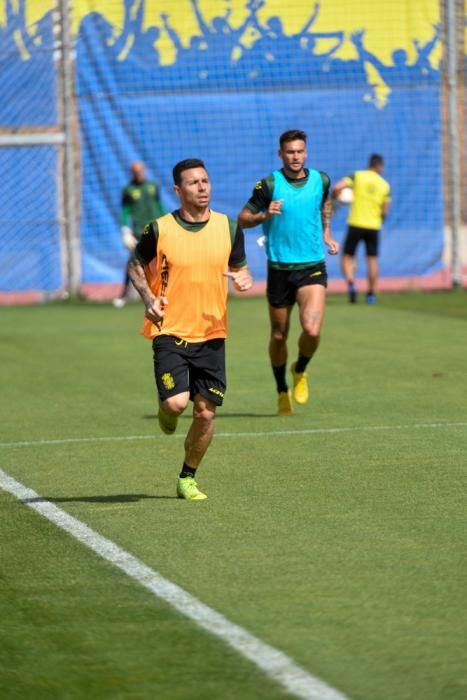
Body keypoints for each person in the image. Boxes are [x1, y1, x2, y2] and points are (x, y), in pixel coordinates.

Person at [128, 158, 253, 500]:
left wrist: (245, 278)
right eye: (194, 183)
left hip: (212, 334)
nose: (202, 188)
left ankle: (187, 477)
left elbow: (241, 269)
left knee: (205, 413)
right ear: (178, 190)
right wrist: (148, 297)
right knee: (175, 404)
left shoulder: (229, 228)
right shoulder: (159, 229)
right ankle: (165, 409)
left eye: (206, 181)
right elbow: (136, 263)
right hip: (170, 329)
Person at [238, 129, 339, 417]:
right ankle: (282, 389)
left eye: (300, 151)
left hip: (312, 267)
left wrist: (327, 233)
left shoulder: (321, 179)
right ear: (281, 154)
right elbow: (243, 219)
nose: (295, 156)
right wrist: (264, 215)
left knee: (312, 329)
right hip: (280, 269)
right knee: (280, 335)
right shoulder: (268, 184)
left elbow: (325, 204)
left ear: (306, 152)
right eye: (290, 152)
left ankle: (301, 369)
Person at [332, 154, 391, 304]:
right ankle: (371, 294)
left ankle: (351, 285)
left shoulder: (357, 176)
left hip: (356, 223)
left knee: (346, 256)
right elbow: (385, 211)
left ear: (369, 164)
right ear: (380, 166)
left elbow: (338, 187)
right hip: (373, 226)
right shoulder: (385, 185)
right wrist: (380, 220)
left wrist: (335, 198)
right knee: (372, 260)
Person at [113, 161, 165, 308]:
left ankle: (164, 292)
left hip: (155, 229)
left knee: (163, 261)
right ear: (132, 173)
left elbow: (159, 205)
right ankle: (124, 294)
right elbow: (125, 210)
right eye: (136, 172)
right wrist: (124, 228)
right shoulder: (128, 190)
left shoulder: (153, 186)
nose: (139, 174)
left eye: (141, 171)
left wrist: (166, 220)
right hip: (139, 232)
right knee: (133, 262)